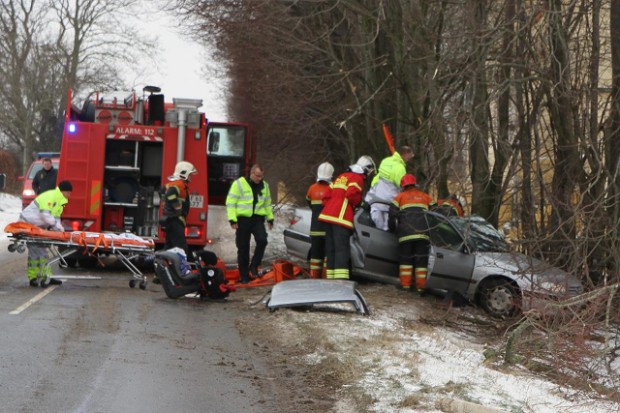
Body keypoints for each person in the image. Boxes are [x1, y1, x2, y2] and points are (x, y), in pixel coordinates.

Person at [319, 155, 375, 280]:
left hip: (327, 217)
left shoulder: (341, 176)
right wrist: (361, 204)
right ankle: (340, 281)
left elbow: (326, 197)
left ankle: (331, 279)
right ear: (366, 169)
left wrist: (332, 207)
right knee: (342, 250)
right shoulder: (357, 178)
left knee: (331, 249)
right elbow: (351, 194)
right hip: (341, 218)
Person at [226, 164, 274, 284]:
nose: (259, 179)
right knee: (243, 248)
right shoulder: (239, 184)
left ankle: (254, 266)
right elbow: (231, 202)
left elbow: (267, 203)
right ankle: (244, 276)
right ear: (251, 173)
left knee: (262, 240)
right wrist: (232, 219)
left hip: (257, 218)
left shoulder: (265, 186)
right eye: (257, 176)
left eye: (261, 176)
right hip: (243, 220)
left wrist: (270, 218)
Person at [19, 180, 73, 287]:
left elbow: (56, 219)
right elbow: (45, 215)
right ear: (63, 191)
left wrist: (61, 231)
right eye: (68, 192)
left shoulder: (59, 201)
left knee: (41, 253)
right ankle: (36, 278)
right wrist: (56, 227)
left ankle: (43, 276)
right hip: (28, 224)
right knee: (38, 253)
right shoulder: (50, 196)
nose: (69, 195)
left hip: (37, 227)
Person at [388, 174, 433, 292]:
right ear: (415, 184)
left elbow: (391, 215)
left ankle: (405, 286)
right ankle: (421, 288)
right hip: (423, 235)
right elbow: (436, 213)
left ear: (403, 186)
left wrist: (392, 229)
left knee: (405, 261)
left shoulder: (399, 197)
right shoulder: (425, 197)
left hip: (405, 235)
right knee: (421, 262)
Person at [364, 146, 414, 231]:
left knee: (377, 228)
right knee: (386, 231)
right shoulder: (400, 168)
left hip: (376, 199)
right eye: (410, 156)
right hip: (388, 203)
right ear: (405, 154)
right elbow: (403, 186)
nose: (410, 159)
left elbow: (378, 177)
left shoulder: (386, 161)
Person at [162, 161, 198, 255]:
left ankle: (163, 267)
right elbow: (170, 195)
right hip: (176, 219)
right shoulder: (180, 184)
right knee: (181, 248)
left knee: (169, 246)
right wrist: (177, 207)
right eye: (190, 174)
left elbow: (162, 191)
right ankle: (179, 269)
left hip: (171, 219)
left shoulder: (173, 183)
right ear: (183, 174)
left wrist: (167, 206)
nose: (191, 177)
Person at [306, 162, 334, 279]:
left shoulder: (312, 188)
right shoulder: (332, 189)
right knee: (328, 256)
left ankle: (314, 279)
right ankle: (326, 279)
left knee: (315, 257)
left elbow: (309, 203)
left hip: (315, 229)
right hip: (328, 230)